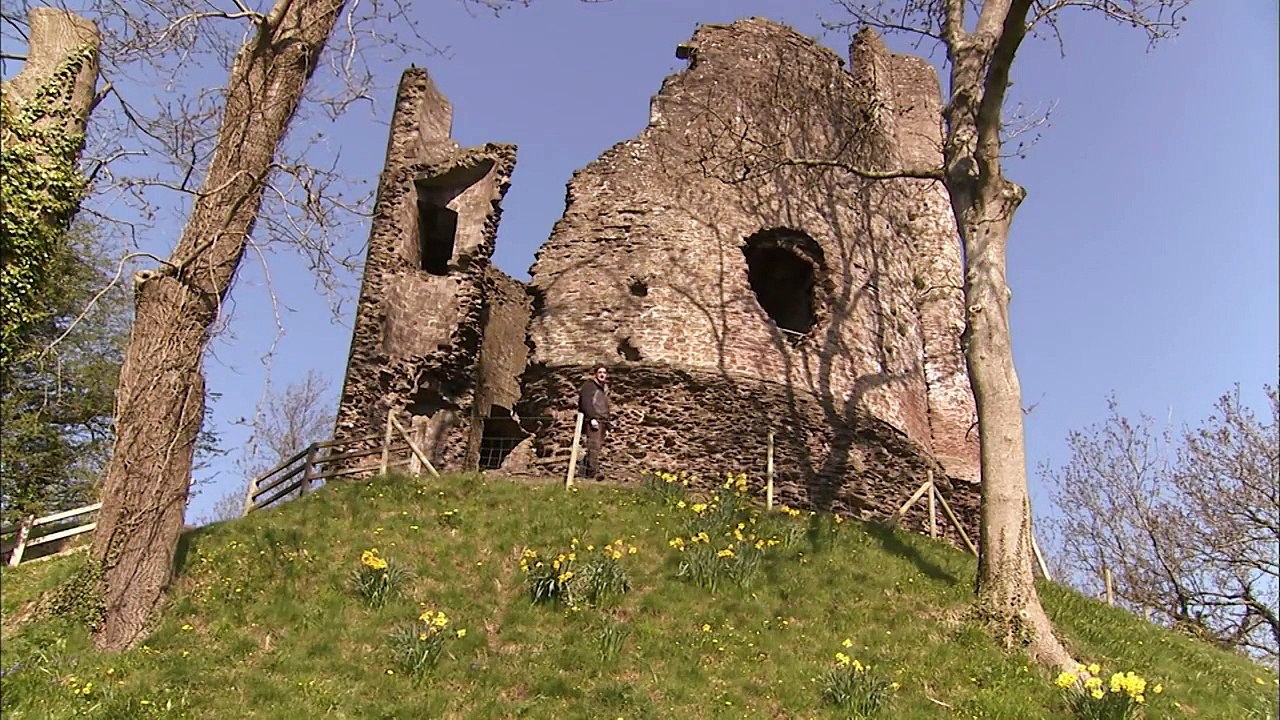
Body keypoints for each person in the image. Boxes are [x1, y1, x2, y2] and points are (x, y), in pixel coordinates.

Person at [577, 366, 611, 480]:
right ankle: (593, 473)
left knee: (597, 447)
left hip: (602, 421)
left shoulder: (603, 388)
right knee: (593, 446)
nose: (602, 375)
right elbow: (586, 403)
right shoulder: (589, 387)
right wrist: (592, 418)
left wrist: (608, 423)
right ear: (595, 374)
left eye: (604, 373)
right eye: (600, 372)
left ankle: (583, 472)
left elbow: (605, 406)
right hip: (594, 420)